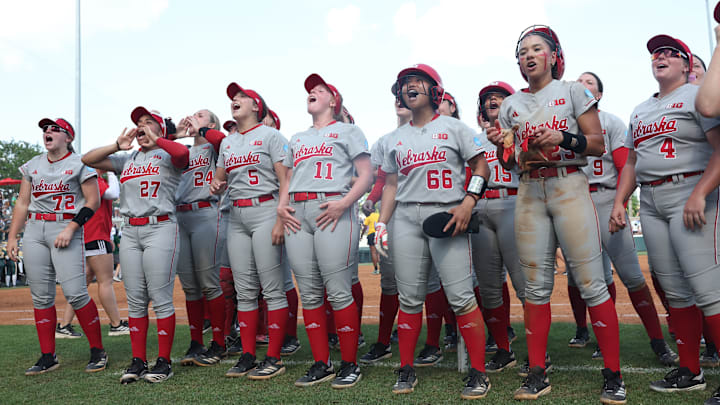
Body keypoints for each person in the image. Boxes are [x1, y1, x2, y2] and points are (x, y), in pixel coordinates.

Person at [486, 26, 625, 403]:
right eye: (523, 52)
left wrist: (563, 138)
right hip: (530, 189)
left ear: (553, 56)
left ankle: (613, 373)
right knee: (534, 288)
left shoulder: (573, 91)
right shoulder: (512, 105)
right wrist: (504, 145)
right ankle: (536, 371)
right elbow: (511, 163)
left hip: (568, 185)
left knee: (592, 282)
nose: (529, 56)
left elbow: (596, 145)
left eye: (537, 49)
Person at [609, 35, 720, 403]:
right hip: (652, 200)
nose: (662, 56)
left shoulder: (698, 95)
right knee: (674, 291)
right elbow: (634, 162)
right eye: (658, 52)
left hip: (690, 192)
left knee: (708, 291)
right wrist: (620, 201)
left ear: (688, 66)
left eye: (673, 53)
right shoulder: (639, 109)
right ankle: (690, 370)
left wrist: (700, 193)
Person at [377, 63, 491, 399]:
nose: (410, 86)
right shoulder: (395, 138)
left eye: (417, 81)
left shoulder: (455, 128)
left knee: (460, 296)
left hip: (447, 215)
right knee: (410, 298)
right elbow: (391, 184)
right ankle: (407, 368)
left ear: (434, 89)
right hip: (406, 219)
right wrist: (383, 222)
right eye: (405, 83)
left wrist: (469, 201)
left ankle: (479, 372)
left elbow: (481, 165)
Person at [564, 72, 677, 365]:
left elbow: (625, 165)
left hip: (605, 199)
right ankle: (602, 338)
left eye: (589, 82)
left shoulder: (610, 122)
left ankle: (658, 341)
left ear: (598, 95)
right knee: (592, 279)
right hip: (574, 203)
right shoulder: (564, 124)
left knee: (632, 276)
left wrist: (620, 204)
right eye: (578, 81)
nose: (581, 84)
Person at [277, 73, 372, 388]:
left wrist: (344, 203)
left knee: (338, 289)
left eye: (320, 90)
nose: (312, 92)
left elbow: (365, 175)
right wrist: (281, 205)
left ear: (334, 101)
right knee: (310, 292)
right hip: (297, 214)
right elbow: (288, 179)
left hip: (332, 209)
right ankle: (322, 363)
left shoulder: (348, 130)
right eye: (310, 90)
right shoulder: (298, 138)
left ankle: (349, 364)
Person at [82, 107, 189, 384]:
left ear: (160, 128)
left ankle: (163, 362)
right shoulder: (127, 158)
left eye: (148, 122)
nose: (141, 126)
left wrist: (160, 138)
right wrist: (117, 145)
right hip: (130, 232)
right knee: (136, 299)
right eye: (138, 123)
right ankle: (138, 361)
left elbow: (182, 155)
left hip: (161, 226)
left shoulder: (168, 152)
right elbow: (88, 158)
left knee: (161, 296)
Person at [7, 117, 106, 375]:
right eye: (45, 129)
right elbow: (22, 203)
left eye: (54, 129)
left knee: (75, 292)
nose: (47, 132)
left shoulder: (79, 163)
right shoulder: (33, 165)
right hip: (35, 229)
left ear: (68, 137)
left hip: (65, 228)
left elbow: (93, 201)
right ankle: (48, 355)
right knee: (40, 296)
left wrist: (72, 228)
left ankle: (98, 350)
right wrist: (12, 236)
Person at [210, 83, 290, 380]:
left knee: (271, 288)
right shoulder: (228, 143)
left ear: (257, 106)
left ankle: (273, 356)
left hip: (266, 210)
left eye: (242, 96)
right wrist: (216, 184)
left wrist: (281, 217)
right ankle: (247, 354)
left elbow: (286, 180)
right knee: (244, 291)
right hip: (237, 216)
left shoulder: (271, 135)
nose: (235, 99)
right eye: (233, 97)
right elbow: (219, 180)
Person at [472, 81, 526, 374]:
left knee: (524, 285)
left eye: (499, 97)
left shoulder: (520, 131)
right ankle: (504, 350)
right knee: (490, 288)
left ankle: (538, 353)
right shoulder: (473, 139)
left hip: (512, 203)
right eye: (488, 98)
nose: (492, 100)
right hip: (481, 208)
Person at [170, 109, 228, 367]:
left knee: (209, 282)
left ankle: (219, 343)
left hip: (205, 212)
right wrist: (179, 134)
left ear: (211, 124)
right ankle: (196, 342)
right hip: (180, 217)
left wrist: (201, 130)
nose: (193, 116)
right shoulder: (181, 151)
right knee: (190, 286)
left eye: (201, 115)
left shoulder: (216, 148)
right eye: (193, 114)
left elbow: (222, 140)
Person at [358, 90, 409, 365]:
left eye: (407, 94)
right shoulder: (385, 141)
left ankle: (438, 341)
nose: (401, 100)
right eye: (397, 97)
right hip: (392, 214)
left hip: (425, 209)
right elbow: (382, 179)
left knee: (435, 281)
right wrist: (372, 199)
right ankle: (383, 341)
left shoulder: (438, 133)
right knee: (390, 282)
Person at [57, 170, 130, 337]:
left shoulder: (87, 182)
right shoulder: (93, 180)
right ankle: (116, 323)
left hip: (90, 236)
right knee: (105, 281)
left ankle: (64, 325)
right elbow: (113, 193)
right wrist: (112, 173)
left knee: (82, 284)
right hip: (95, 235)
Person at [362, 207, 380, 274]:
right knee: (379, 252)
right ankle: (382, 269)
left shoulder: (368, 217)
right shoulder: (379, 215)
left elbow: (365, 227)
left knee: (373, 252)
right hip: (379, 233)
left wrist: (361, 235)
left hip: (371, 234)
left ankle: (376, 269)